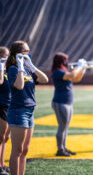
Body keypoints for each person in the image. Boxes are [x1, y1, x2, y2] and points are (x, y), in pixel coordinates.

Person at [6, 41, 48, 175]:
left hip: (30, 111)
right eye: (25, 51)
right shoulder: (13, 69)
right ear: (17, 54)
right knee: (17, 150)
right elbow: (19, 86)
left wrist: (31, 65)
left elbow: (45, 79)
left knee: (25, 150)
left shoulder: (28, 68)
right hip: (18, 111)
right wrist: (19, 66)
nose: (28, 54)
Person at [51, 53, 86, 157]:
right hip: (60, 102)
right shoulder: (57, 72)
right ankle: (60, 149)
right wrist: (79, 66)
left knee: (65, 127)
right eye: (65, 60)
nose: (67, 62)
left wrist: (82, 69)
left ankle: (64, 147)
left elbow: (76, 79)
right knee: (62, 127)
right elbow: (72, 75)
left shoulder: (64, 71)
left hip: (67, 102)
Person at [0, 47, 10, 175]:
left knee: (5, 138)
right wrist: (1, 65)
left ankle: (2, 163)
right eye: (6, 56)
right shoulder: (1, 70)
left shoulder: (7, 70)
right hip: (1, 105)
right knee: (0, 137)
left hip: (9, 105)